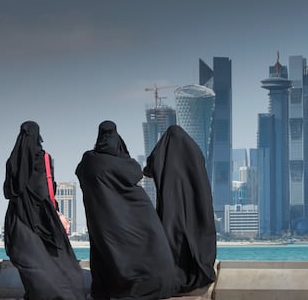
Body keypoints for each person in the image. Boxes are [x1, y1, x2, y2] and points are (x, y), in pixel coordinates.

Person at [75, 120, 178, 300]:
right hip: (136, 210)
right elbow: (136, 172)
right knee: (149, 244)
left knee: (106, 252)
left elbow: (81, 172)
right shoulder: (123, 162)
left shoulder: (89, 160)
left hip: (102, 218)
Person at [3, 121, 85, 300]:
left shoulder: (12, 160)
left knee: (29, 258)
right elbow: (45, 188)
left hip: (18, 216)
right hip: (41, 214)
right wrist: (54, 210)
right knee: (54, 256)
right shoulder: (43, 157)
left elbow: (8, 192)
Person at [144, 125, 217, 293]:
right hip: (195, 204)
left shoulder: (162, 153)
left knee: (172, 236)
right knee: (196, 233)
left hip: (171, 205)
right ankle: (196, 270)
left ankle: (173, 273)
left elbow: (149, 168)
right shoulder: (194, 151)